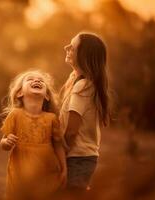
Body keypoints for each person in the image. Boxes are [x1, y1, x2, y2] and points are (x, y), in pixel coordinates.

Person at [0, 70, 66, 200]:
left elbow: (58, 145)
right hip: (21, 170)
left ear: (47, 96)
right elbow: (3, 143)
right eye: (30, 79)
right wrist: (7, 142)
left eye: (41, 80)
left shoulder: (52, 118)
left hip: (47, 170)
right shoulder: (15, 115)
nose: (37, 80)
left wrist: (64, 168)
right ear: (20, 93)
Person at [59, 32, 111, 196]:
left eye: (72, 47)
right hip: (77, 156)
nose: (66, 48)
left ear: (84, 56)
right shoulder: (75, 79)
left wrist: (60, 153)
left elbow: (72, 130)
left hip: (77, 157)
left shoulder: (83, 86)